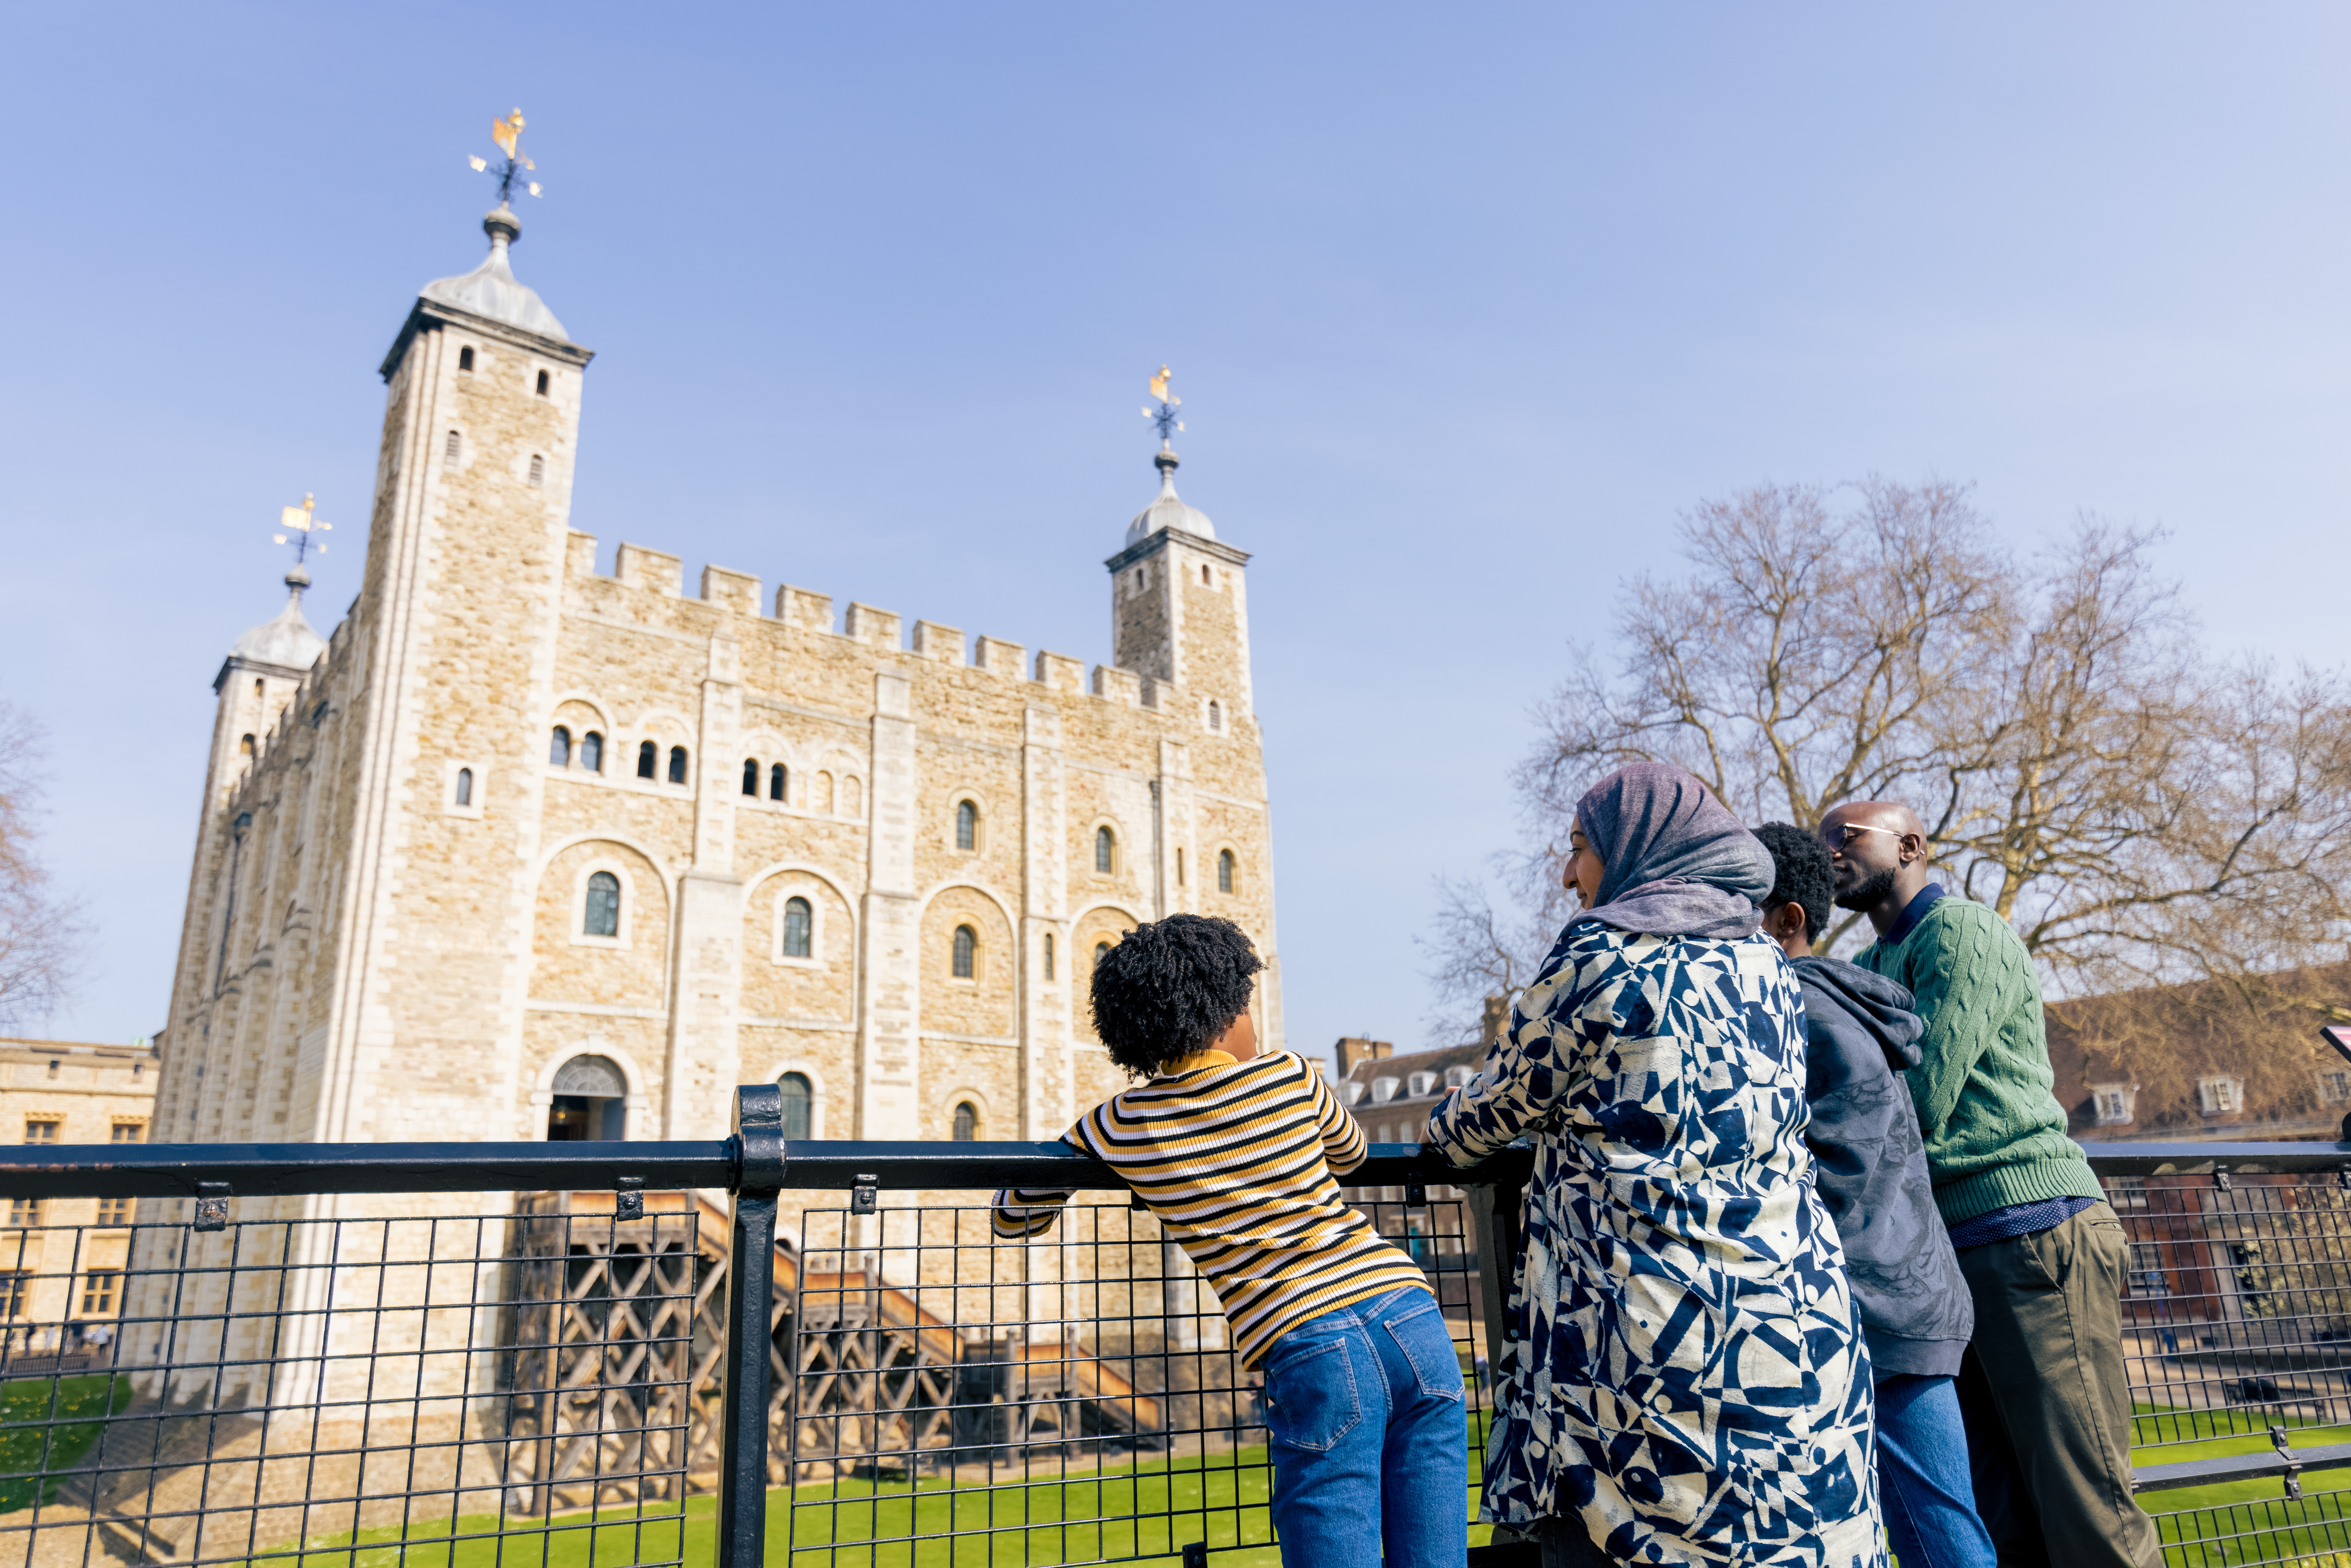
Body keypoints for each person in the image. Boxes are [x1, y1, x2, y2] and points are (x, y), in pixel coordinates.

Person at [1427, 765, 1881, 1568]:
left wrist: (1449, 1106)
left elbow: (1477, 1126)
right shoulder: (1767, 964)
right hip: (1796, 1331)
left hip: (1655, 1344)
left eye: (1579, 849)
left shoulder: (1599, 957)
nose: (1569, 874)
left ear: (1636, 849)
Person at [992, 913, 1465, 1568]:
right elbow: (1352, 1155)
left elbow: (1015, 1212)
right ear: (1223, 1014)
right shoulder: (1291, 1074)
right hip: (1409, 1313)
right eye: (1245, 1003)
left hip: (1309, 1339)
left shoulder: (1119, 1123)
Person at [1819, 801, 2160, 1568]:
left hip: (2029, 1230)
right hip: (1948, 1256)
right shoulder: (1868, 971)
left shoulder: (1963, 931)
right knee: (2000, 1517)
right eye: (1822, 844)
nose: (1831, 851)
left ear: (1910, 846)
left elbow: (1921, 1097)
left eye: (1848, 838)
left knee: (2086, 1507)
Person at [1754, 824, 1994, 1568]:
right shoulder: (1851, 1000)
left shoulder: (1792, 1009)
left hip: (1871, 1300)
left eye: (1735, 907)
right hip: (1914, 1287)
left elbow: (1842, 1165)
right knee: (1941, 1522)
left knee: (1933, 1532)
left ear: (1786, 920)